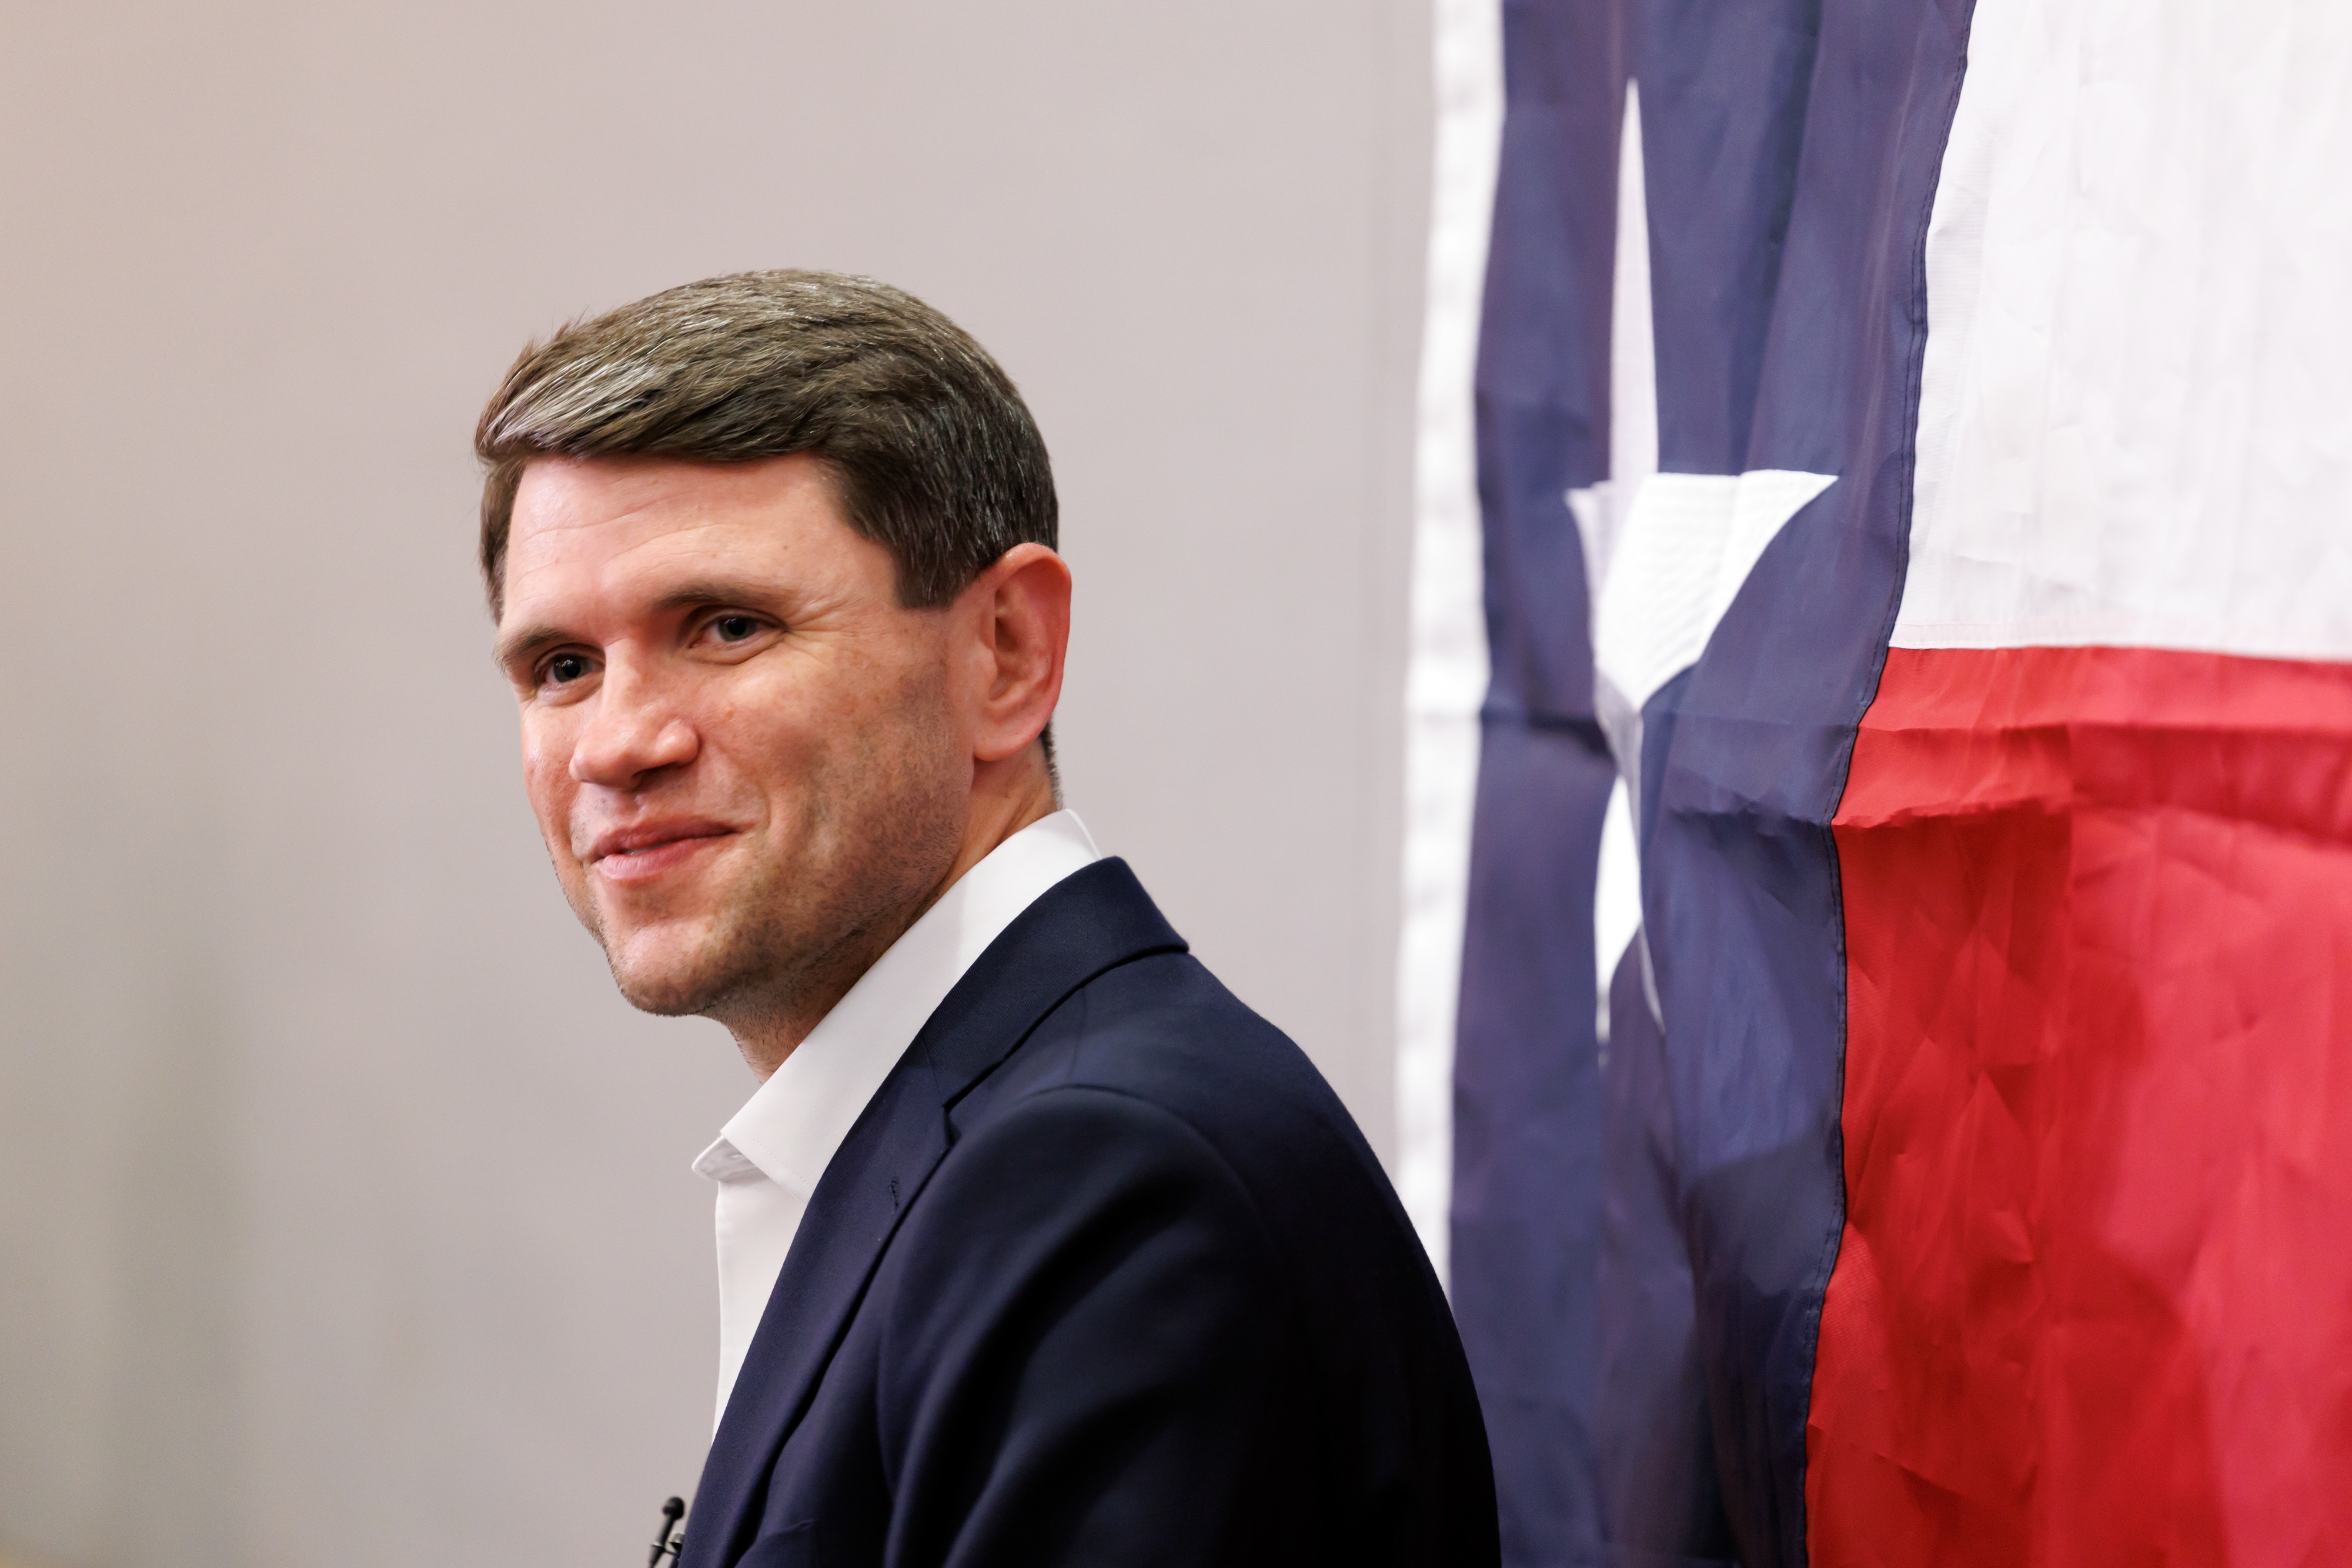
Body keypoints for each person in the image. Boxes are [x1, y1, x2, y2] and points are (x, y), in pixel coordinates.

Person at [475, 270, 1498, 1567]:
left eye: (728, 626)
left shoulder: (1107, 1182)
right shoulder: (986, 1143)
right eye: (561, 666)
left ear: (1006, 652)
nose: (619, 743)